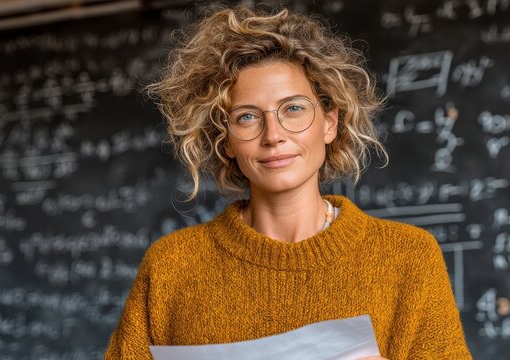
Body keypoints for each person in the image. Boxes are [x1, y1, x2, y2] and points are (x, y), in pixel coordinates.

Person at [105, 4, 472, 360]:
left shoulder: (409, 258)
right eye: (247, 117)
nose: (273, 135)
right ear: (225, 139)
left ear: (330, 123)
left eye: (293, 108)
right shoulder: (172, 267)